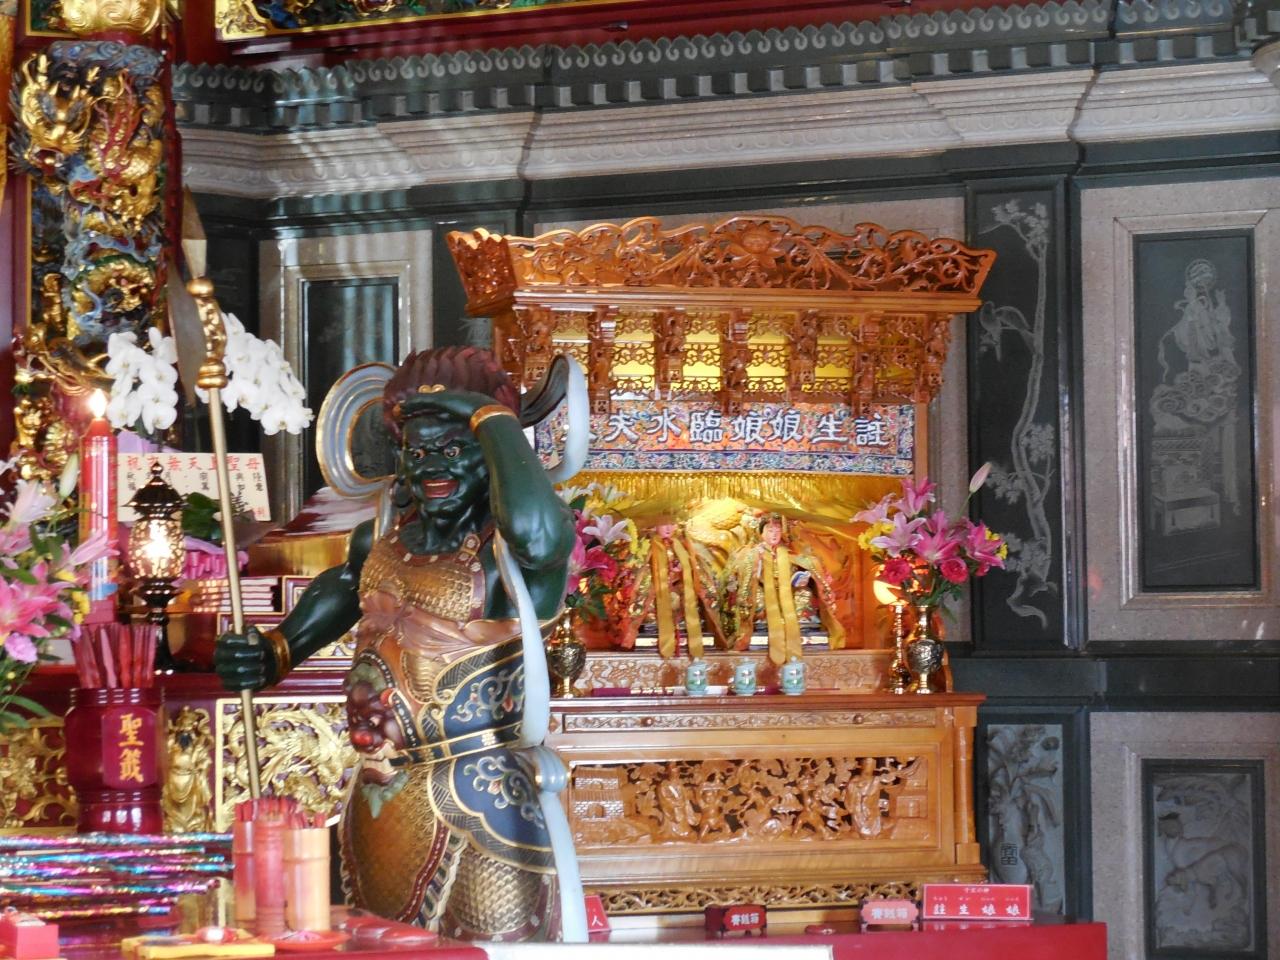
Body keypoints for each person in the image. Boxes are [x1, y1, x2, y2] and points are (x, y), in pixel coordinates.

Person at [214, 346, 575, 942]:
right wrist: (276, 649)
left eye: (454, 450)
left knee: (490, 949)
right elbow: (342, 588)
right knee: (364, 946)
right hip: (378, 794)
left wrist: (489, 416)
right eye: (418, 450)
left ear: (491, 452)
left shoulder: (508, 557)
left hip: (480, 799)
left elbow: (541, 535)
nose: (432, 467)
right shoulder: (382, 537)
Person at [720, 513, 844, 663]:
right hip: (763, 593)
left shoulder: (790, 553)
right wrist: (756, 562)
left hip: (788, 594)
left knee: (805, 594)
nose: (774, 534)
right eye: (770, 530)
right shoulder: (751, 553)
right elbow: (740, 576)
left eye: (778, 530)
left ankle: (802, 625)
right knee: (756, 598)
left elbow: (806, 568)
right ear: (761, 532)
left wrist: (803, 580)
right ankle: (760, 624)